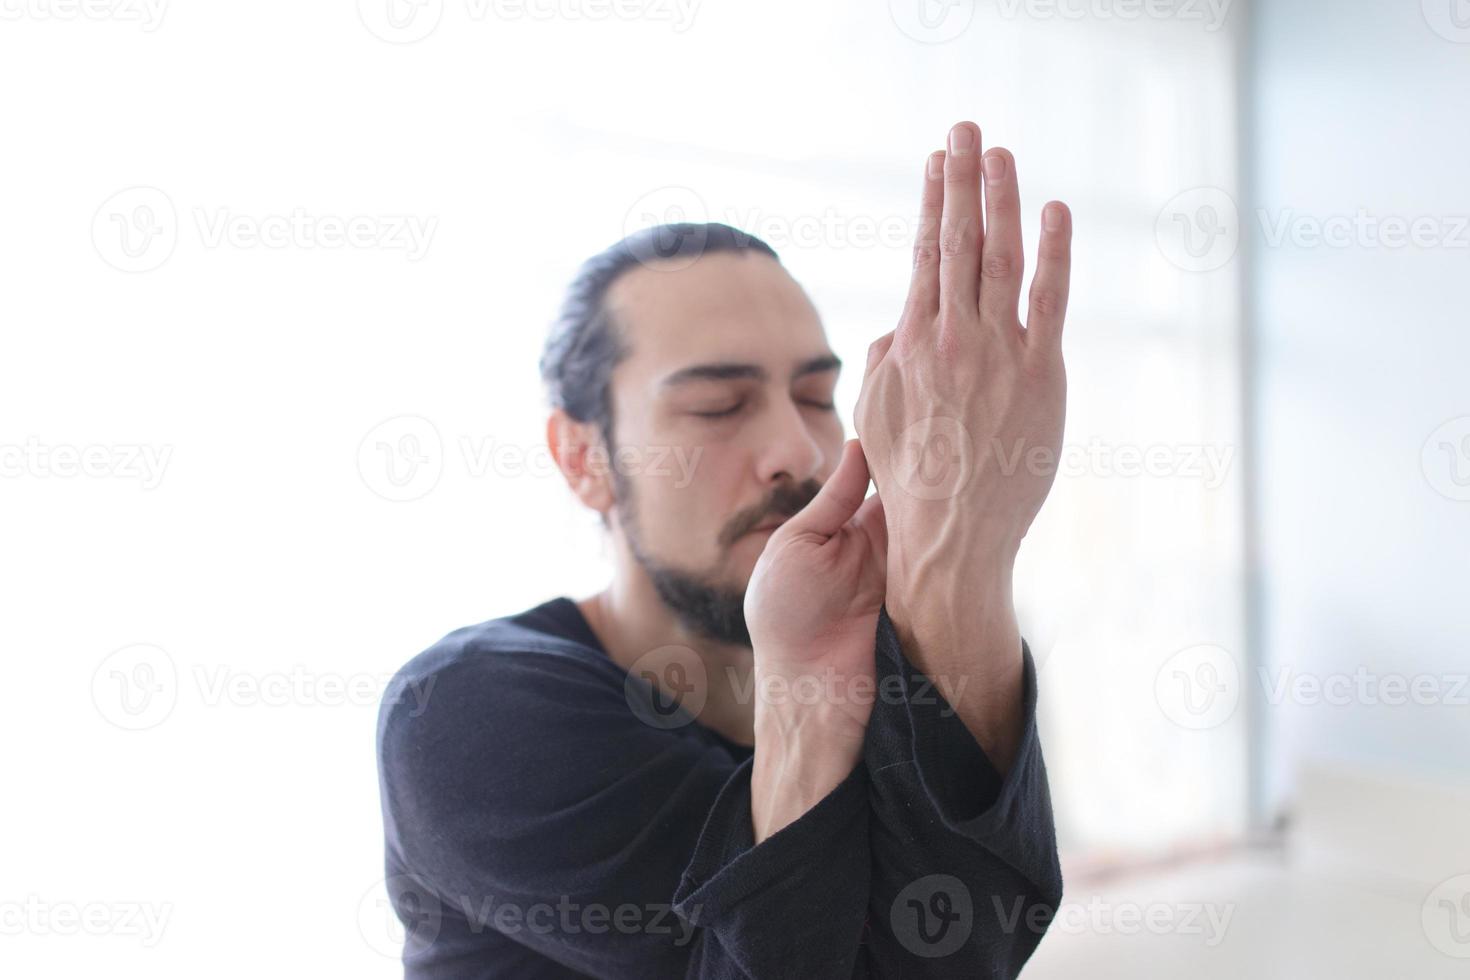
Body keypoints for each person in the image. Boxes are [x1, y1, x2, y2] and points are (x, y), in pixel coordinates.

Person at [376, 120, 1074, 978]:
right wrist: (950, 549)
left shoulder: (892, 683)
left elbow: (973, 942)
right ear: (583, 459)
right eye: (717, 407)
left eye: (817, 396)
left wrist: (967, 548)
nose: (798, 449)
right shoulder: (464, 712)